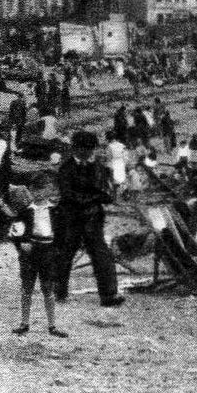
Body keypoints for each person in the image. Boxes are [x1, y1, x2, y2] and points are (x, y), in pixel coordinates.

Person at [54, 131, 121, 307]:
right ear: (75, 149)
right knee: (65, 254)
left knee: (101, 255)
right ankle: (58, 291)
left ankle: (108, 295)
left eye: (90, 149)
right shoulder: (66, 168)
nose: (88, 153)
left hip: (92, 218)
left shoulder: (98, 168)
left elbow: (107, 193)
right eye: (84, 149)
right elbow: (68, 195)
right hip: (71, 218)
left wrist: (96, 197)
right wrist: (94, 197)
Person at [8, 178, 65, 337]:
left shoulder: (56, 211)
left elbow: (63, 233)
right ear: (30, 192)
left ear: (50, 191)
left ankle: (52, 325)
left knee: (48, 288)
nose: (39, 194)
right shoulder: (25, 211)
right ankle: (24, 323)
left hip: (48, 250)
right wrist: (21, 244)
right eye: (35, 190)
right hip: (31, 251)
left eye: (43, 190)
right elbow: (15, 232)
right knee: (27, 287)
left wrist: (58, 251)